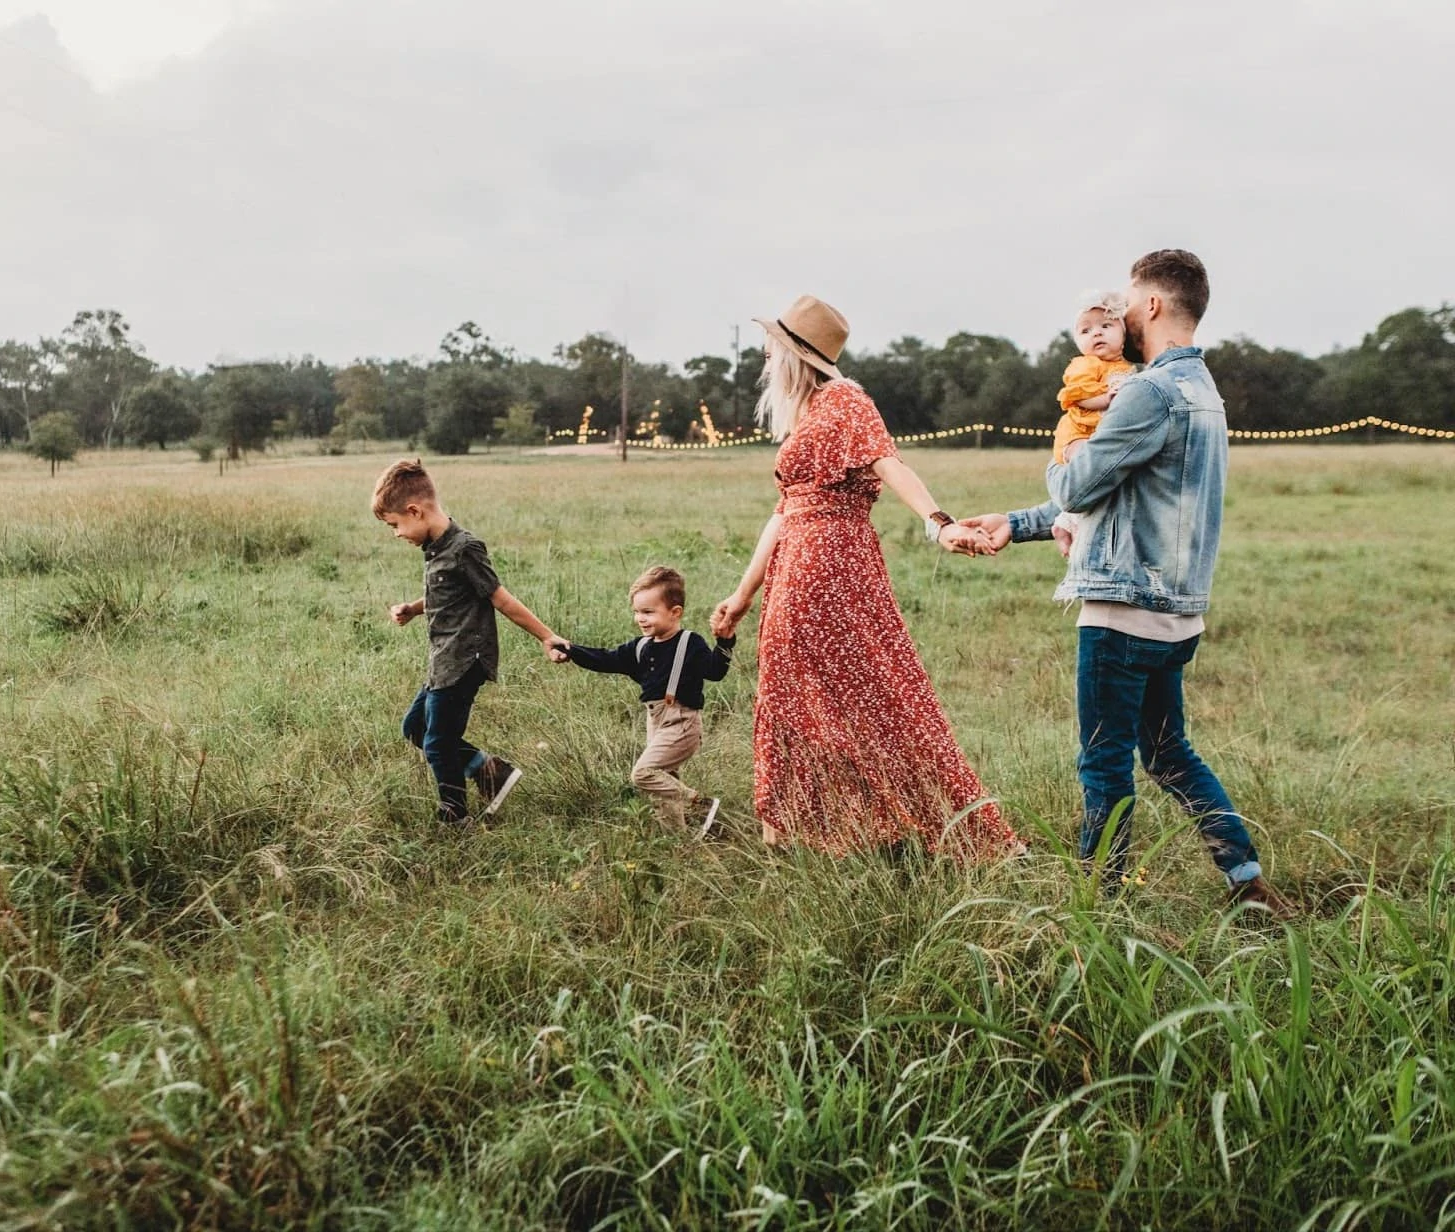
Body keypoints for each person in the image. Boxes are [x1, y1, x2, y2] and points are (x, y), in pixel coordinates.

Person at [960, 251, 1290, 912]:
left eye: (1131, 302)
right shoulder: (1204, 393)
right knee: (1170, 755)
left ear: (1156, 306)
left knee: (1104, 763)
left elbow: (1081, 483)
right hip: (1177, 615)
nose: (1123, 314)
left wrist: (1068, 456)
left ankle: (1099, 907)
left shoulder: (1147, 390)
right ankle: (1245, 880)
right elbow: (1122, 496)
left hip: (1121, 613)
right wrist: (1017, 523)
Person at [710, 294, 1023, 859]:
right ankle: (807, 830)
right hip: (797, 566)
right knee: (796, 695)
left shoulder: (845, 400)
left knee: (874, 694)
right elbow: (783, 512)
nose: (763, 355)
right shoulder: (807, 413)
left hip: (830, 565)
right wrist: (742, 594)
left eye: (771, 347)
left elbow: (889, 463)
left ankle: (906, 823)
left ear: (795, 354)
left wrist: (938, 523)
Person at [372, 458, 561, 827]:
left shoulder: (464, 548)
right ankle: (489, 771)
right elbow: (450, 594)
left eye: (395, 525)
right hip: (442, 660)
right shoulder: (437, 549)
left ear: (415, 510)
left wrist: (547, 636)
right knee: (415, 728)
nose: (396, 534)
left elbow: (500, 598)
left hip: (463, 661)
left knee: (437, 743)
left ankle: (455, 816)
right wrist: (413, 608)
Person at [548, 566, 734, 836]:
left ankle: (701, 805)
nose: (640, 619)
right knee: (664, 783)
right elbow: (605, 659)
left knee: (644, 774)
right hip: (655, 721)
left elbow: (715, 672)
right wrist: (571, 650)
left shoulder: (689, 643)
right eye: (637, 612)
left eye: (648, 612)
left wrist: (725, 642)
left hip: (682, 722)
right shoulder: (640, 647)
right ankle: (676, 841)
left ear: (675, 612)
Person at [1050, 290, 1136, 558]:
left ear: (1123, 335)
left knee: (1102, 478)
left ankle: (1067, 523)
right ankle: (1069, 522)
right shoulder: (1085, 365)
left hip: (1098, 432)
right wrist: (1105, 399)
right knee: (1088, 469)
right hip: (1078, 432)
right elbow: (1077, 395)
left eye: (1106, 326)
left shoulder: (1127, 367)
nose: (1096, 334)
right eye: (1086, 331)